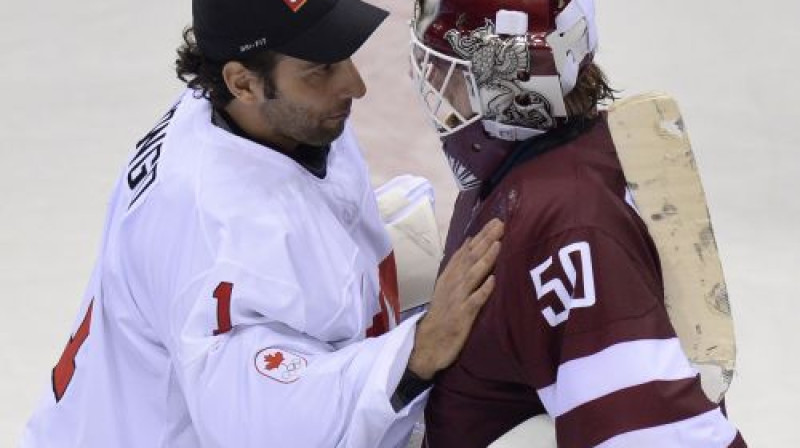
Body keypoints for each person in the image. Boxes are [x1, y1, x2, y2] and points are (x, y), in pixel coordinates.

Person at [20, 0, 504, 447]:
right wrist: (416, 350)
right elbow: (266, 428)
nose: (355, 85)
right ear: (243, 82)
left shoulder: (257, 117)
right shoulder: (224, 235)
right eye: (321, 70)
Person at [408, 0, 747, 446]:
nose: (432, 78)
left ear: (507, 79)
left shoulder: (564, 227)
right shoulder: (564, 161)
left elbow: (659, 437)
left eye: (448, 66)